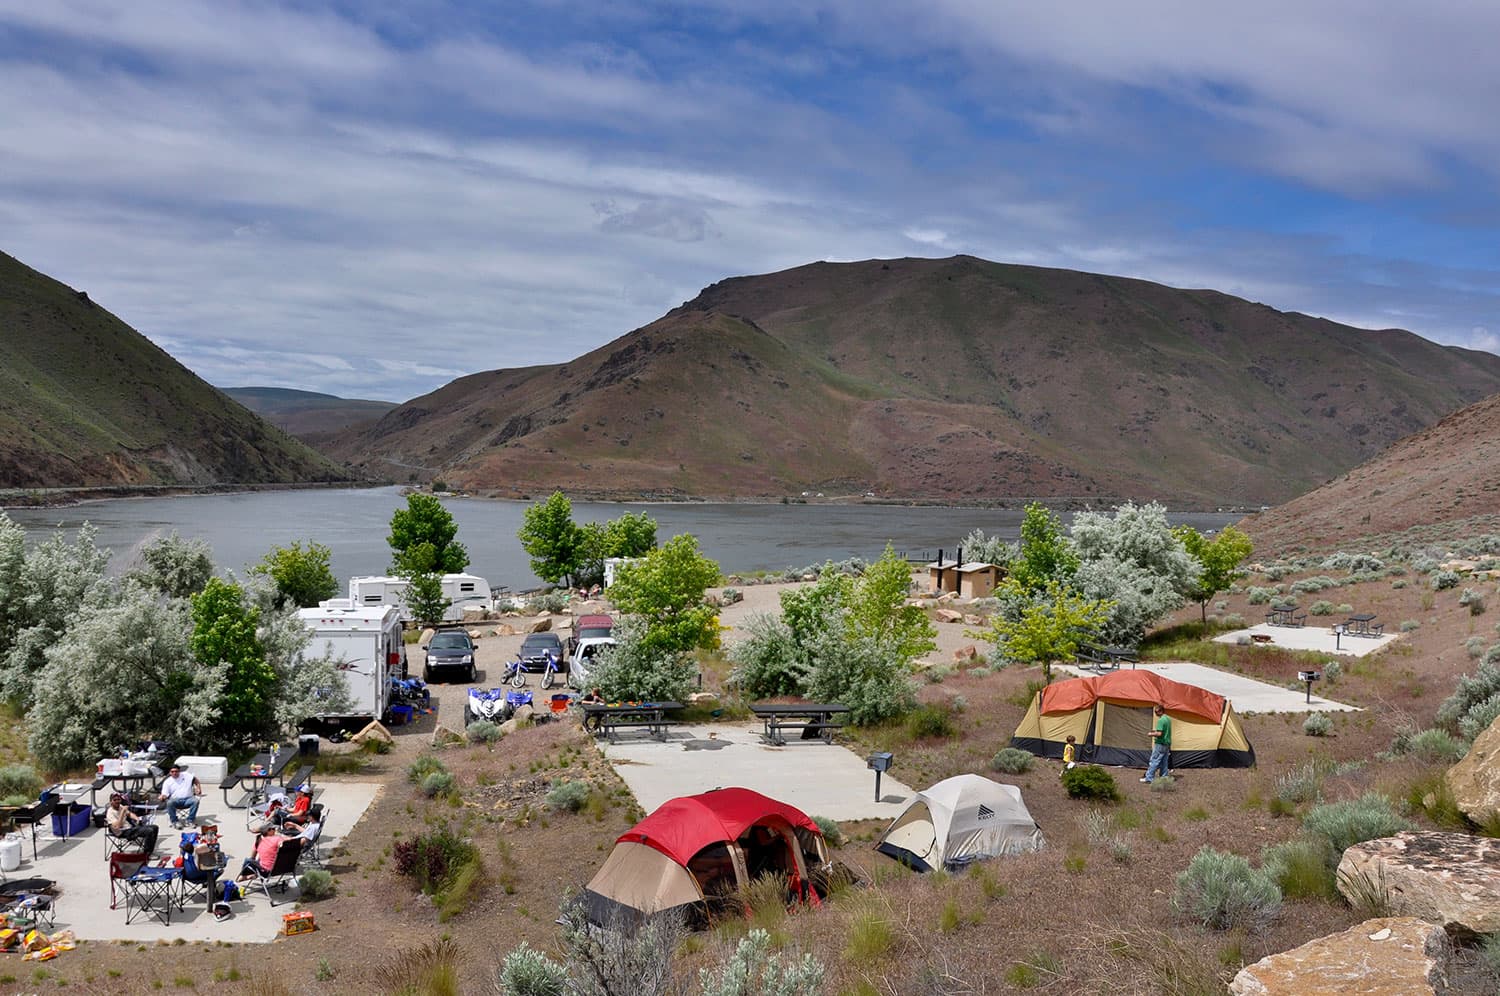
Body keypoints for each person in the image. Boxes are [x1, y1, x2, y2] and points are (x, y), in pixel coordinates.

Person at [1141, 704, 1173, 784]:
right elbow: (1164, 731)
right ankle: (1164, 777)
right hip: (1167, 743)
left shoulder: (1161, 720)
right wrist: (1155, 731)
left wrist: (1151, 734)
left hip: (1160, 743)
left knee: (1154, 760)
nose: (1155, 714)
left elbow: (1159, 734)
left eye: (1156, 712)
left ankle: (1149, 778)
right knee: (1164, 761)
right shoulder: (1168, 719)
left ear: (1160, 711)